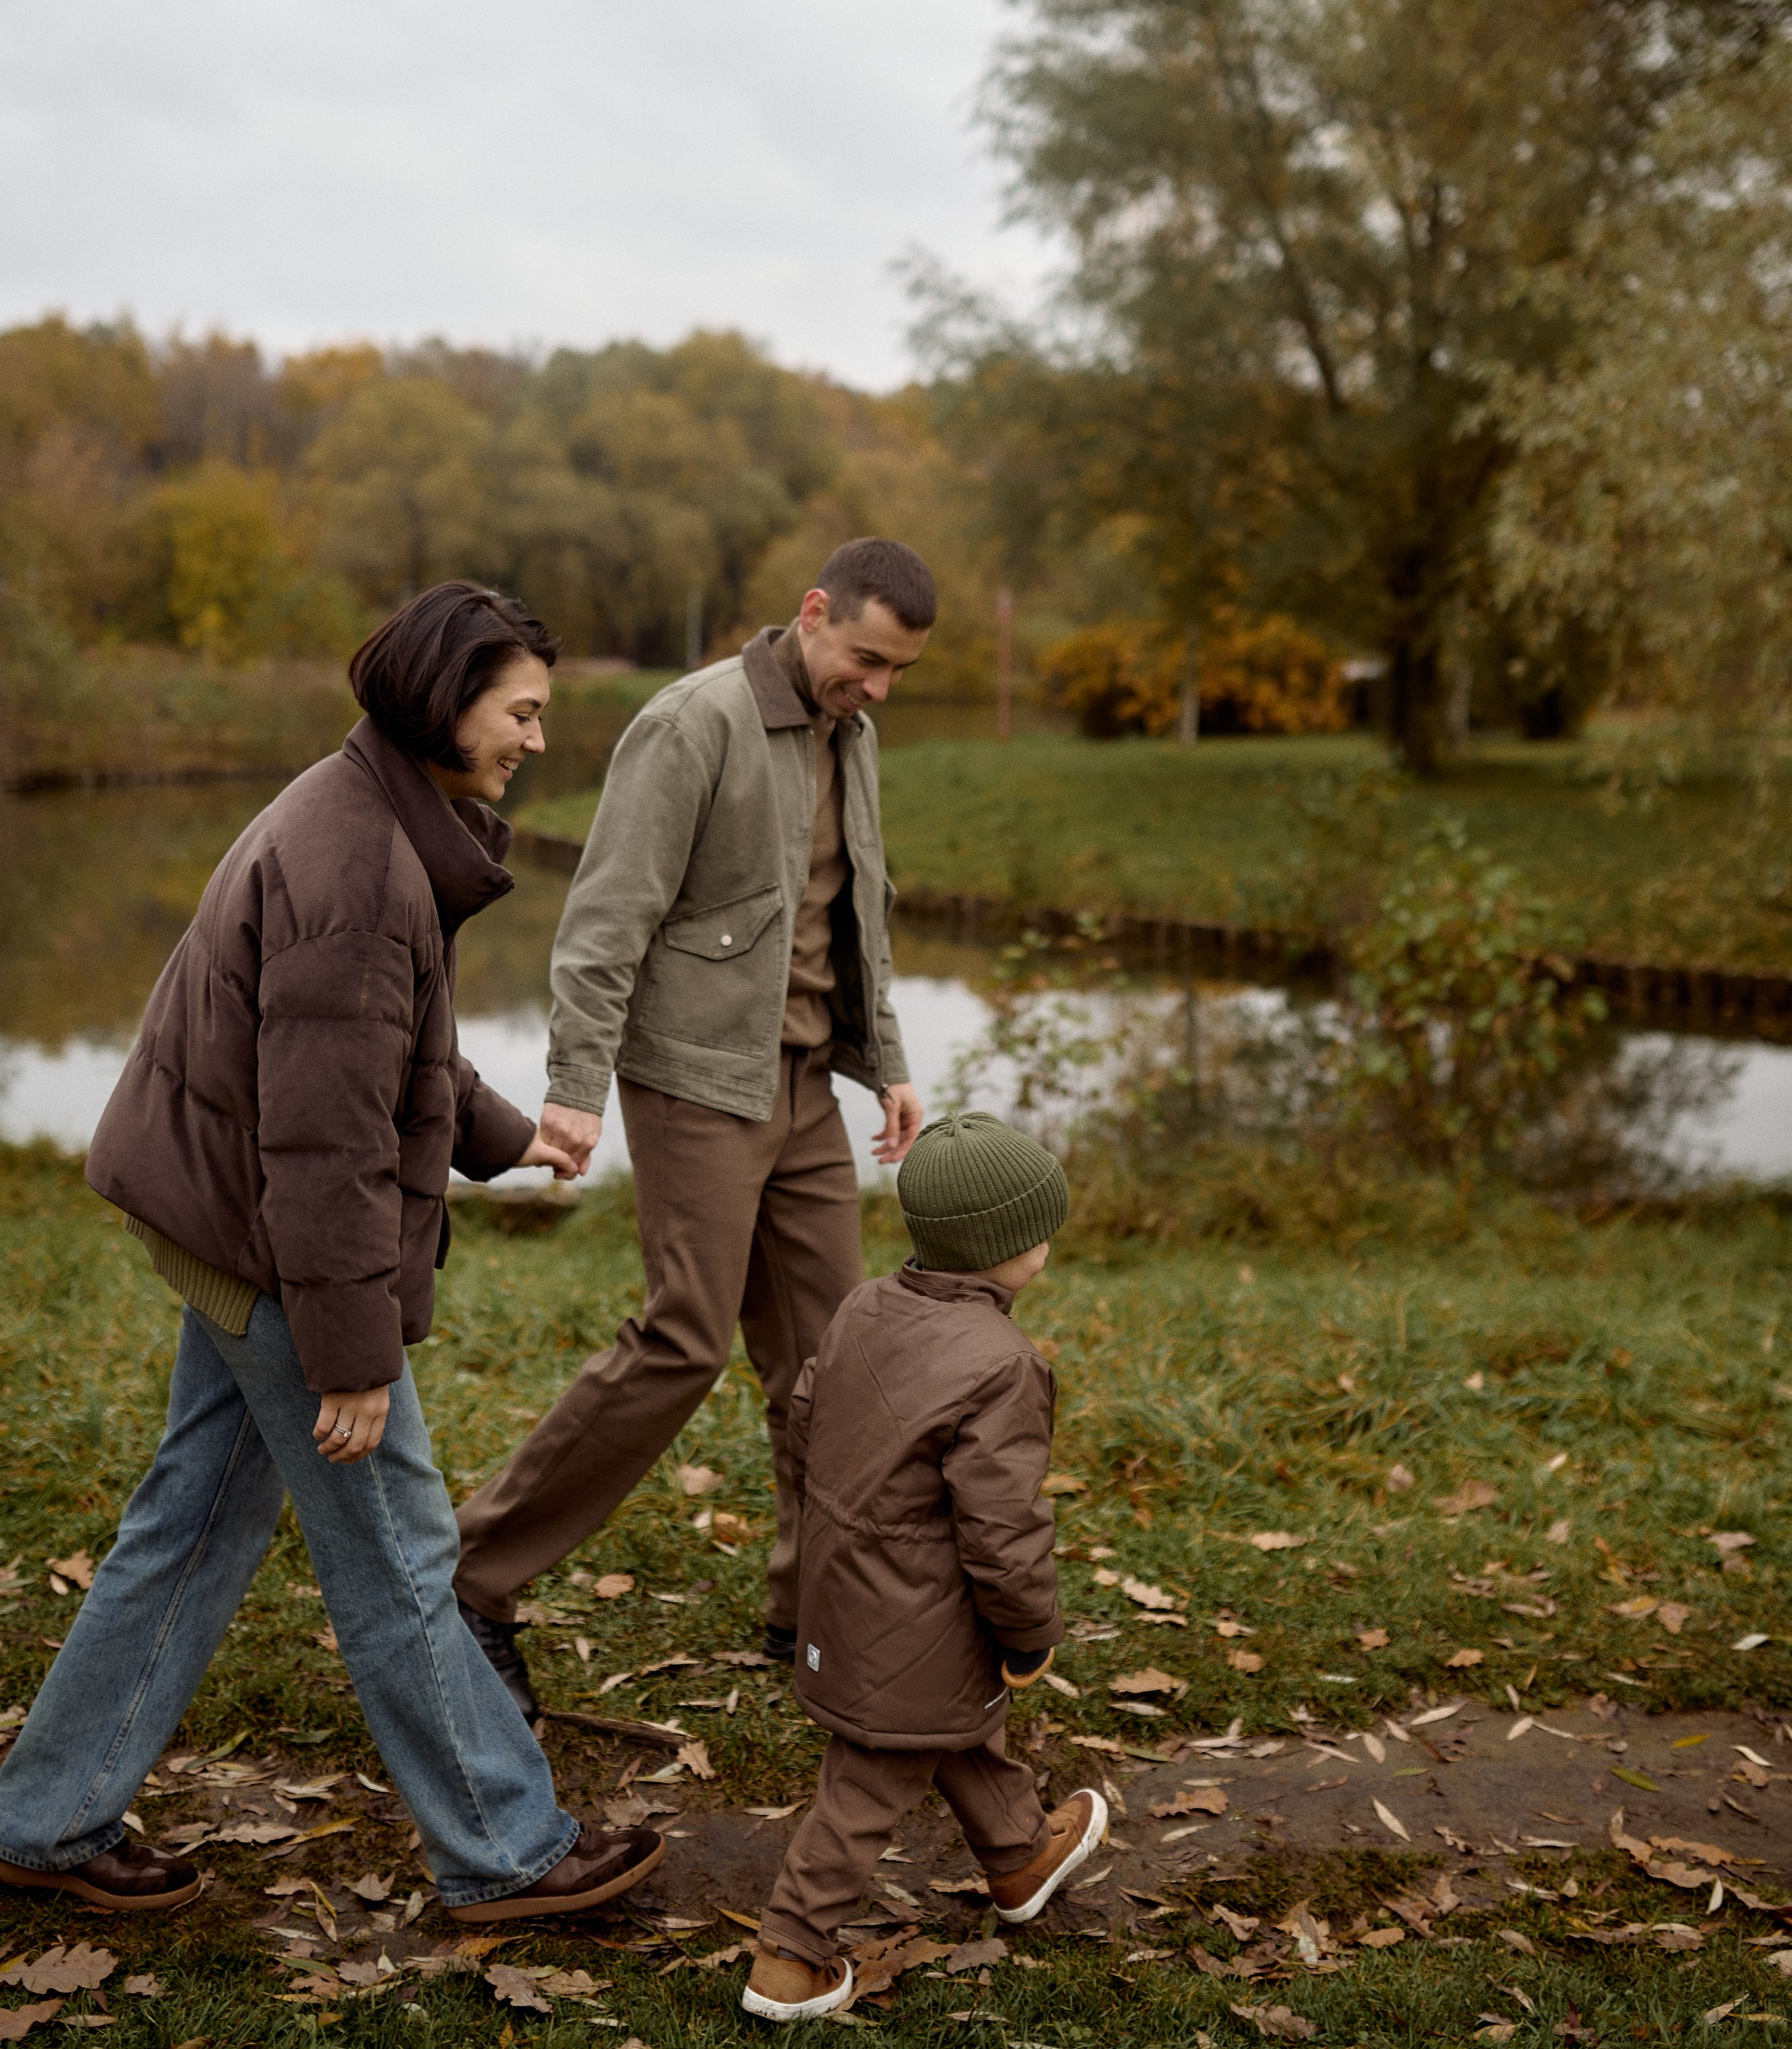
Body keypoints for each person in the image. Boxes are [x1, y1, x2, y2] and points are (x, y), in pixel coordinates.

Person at [0, 584, 664, 1927]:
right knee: (400, 1553)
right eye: (523, 709)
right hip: (268, 1237)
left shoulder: (358, 805)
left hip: (222, 1217)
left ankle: (43, 1816)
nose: (538, 736)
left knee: (190, 1518)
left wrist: (501, 1131)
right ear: (446, 697)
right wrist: (352, 1357)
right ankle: (505, 1848)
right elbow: (322, 1145)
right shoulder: (358, 865)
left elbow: (375, 1051)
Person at [453, 538, 934, 1716]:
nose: (877, 688)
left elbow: (852, 911)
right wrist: (575, 1084)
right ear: (814, 613)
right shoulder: (694, 723)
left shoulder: (854, 736)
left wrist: (894, 1065)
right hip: (694, 1082)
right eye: (865, 658)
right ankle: (472, 1574)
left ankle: (814, 1609)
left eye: (898, 671)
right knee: (685, 1337)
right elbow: (608, 915)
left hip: (809, 1086)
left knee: (837, 1360)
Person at [741, 1111, 1106, 2022]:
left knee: (952, 1721)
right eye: (1040, 1225)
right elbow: (1003, 1528)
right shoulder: (1001, 1362)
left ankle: (1019, 1856)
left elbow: (805, 1419)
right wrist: (1029, 1633)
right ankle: (789, 1953)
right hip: (918, 1611)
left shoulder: (866, 1304)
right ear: (1010, 1246)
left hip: (851, 1585)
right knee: (867, 1780)